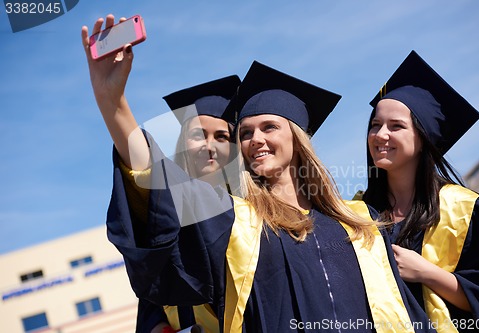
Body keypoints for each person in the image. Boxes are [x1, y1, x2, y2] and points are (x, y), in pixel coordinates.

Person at [83, 15, 435, 332]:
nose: (256, 139)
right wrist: (113, 103)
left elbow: (405, 313)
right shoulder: (235, 222)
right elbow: (162, 182)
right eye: (246, 133)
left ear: (297, 140)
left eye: (269, 127)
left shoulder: (361, 222)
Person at [362, 50, 479, 333]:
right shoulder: (360, 213)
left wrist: (428, 273)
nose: (380, 134)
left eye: (396, 126)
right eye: (375, 125)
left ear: (423, 138)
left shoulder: (466, 211)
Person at [135, 76, 241, 332]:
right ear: (183, 144)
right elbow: (151, 301)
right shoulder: (165, 212)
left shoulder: (247, 211)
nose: (209, 145)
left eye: (221, 136)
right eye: (199, 135)